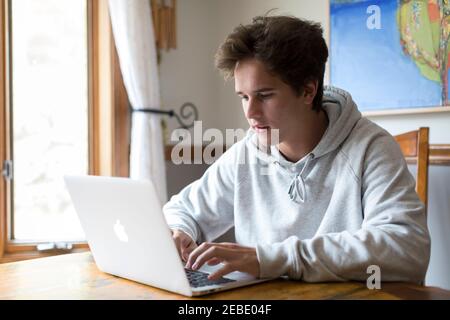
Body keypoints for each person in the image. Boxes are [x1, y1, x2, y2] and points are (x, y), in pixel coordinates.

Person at [162, 15, 430, 283]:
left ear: (307, 91)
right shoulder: (248, 152)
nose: (250, 112)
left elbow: (405, 248)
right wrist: (180, 231)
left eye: (264, 95)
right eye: (243, 97)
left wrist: (272, 259)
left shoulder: (371, 148)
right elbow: (181, 210)